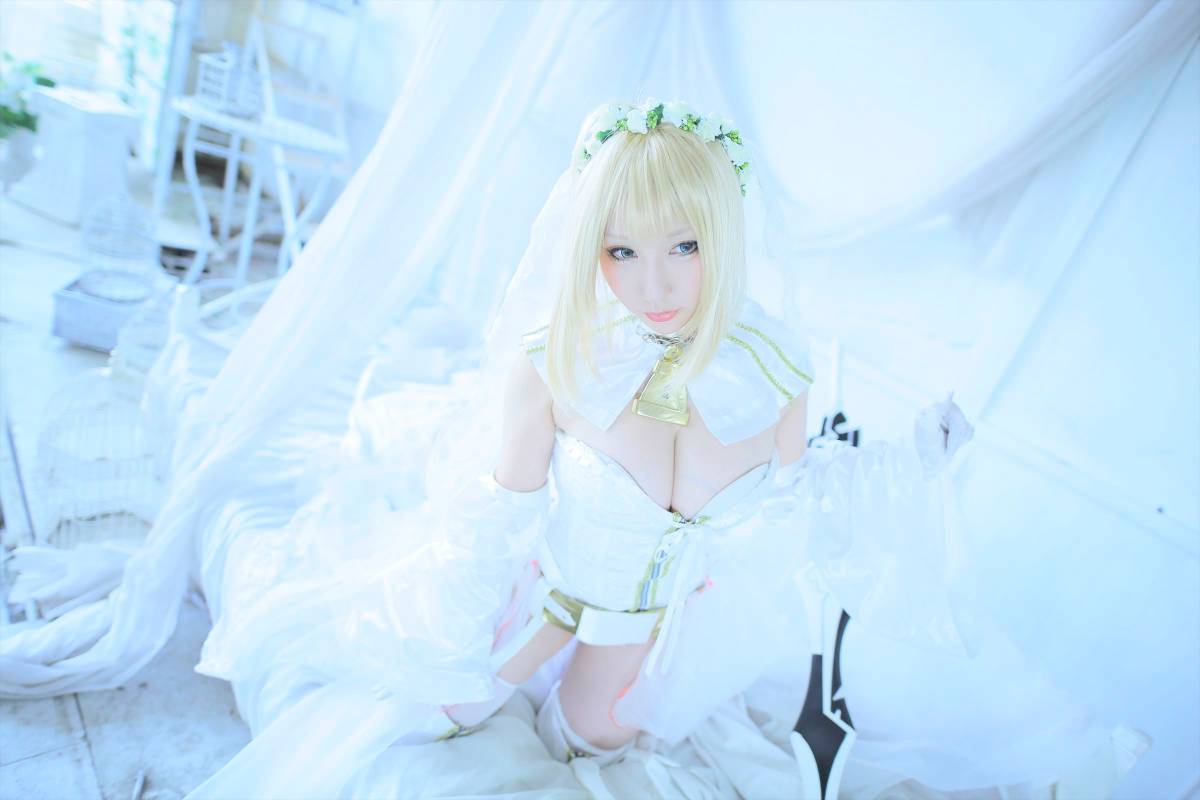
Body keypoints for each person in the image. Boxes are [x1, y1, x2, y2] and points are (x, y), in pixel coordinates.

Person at [2, 98, 1149, 799]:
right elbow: (487, 523)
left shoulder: (771, 368)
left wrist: (918, 455)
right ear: (587, 250)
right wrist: (453, 649)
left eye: (685, 245)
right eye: (621, 251)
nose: (654, 284)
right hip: (551, 590)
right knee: (459, 710)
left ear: (725, 236)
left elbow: (808, 501)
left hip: (676, 623)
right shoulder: (558, 360)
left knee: (616, 723)